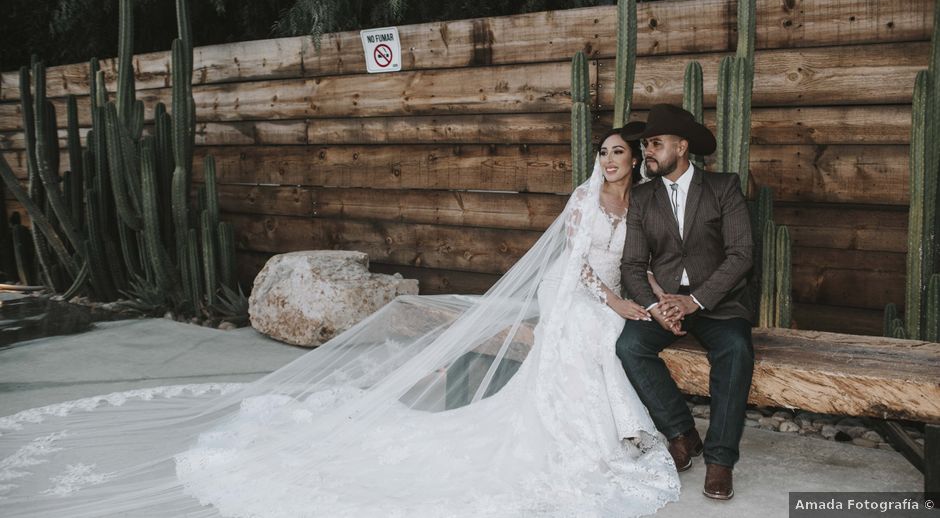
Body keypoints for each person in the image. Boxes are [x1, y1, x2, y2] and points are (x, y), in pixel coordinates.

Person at [0, 126, 681, 517]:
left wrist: (649, 297)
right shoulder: (584, 200)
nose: (611, 159)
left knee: (611, 337)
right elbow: (576, 261)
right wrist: (618, 301)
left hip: (617, 292)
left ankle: (616, 435)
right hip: (580, 292)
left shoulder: (646, 200)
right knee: (594, 334)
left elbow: (642, 258)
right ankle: (607, 438)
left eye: (620, 152)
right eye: (607, 151)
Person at [617, 103, 755, 501]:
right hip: (664, 304)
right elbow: (632, 263)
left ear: (681, 146)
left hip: (718, 303)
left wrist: (695, 300)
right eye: (646, 145)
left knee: (735, 349)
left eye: (656, 144)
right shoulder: (643, 198)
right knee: (628, 346)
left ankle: (721, 459)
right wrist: (657, 306)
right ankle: (681, 433)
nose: (648, 152)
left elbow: (742, 254)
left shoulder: (722, 187)